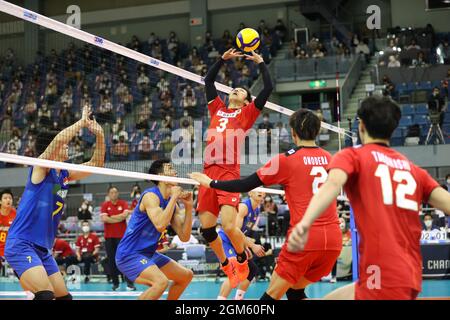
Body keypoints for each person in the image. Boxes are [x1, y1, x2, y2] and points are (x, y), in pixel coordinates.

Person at [287, 96, 450, 300]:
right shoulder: (414, 170)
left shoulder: (353, 156)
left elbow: (332, 184)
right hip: (402, 275)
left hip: (383, 277)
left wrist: (305, 223)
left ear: (361, 126)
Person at [191, 108, 341, 300]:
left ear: (293, 133)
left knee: (269, 298)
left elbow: (245, 184)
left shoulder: (286, 160)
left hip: (305, 239)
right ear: (318, 131)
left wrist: (211, 183)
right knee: (294, 291)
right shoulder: (330, 158)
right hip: (333, 242)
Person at [4, 105, 105, 300]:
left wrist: (100, 136)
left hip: (43, 248)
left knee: (64, 298)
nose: (68, 145)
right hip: (21, 243)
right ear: (53, 147)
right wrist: (81, 123)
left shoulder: (64, 175)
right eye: (64, 144)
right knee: (45, 295)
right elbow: (60, 139)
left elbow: (97, 164)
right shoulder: (41, 168)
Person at [196, 48, 273, 288]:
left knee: (229, 226)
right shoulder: (217, 108)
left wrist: (260, 62)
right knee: (207, 230)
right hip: (208, 172)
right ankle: (226, 265)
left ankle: (241, 259)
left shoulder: (247, 113)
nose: (235, 90)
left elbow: (268, 89)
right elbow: (208, 80)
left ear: (247, 101)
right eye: (234, 89)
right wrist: (221, 59)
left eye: (240, 90)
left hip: (228, 172)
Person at [116, 159, 194, 300]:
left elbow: (184, 237)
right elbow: (160, 225)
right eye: (170, 168)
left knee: (186, 276)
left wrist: (189, 207)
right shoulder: (150, 196)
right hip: (129, 254)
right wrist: (175, 196)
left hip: (148, 254)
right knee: (160, 282)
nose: (175, 172)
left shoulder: (172, 203)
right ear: (161, 177)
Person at [217, 191, 266, 300]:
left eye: (262, 190)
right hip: (227, 240)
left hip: (236, 241)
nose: (261, 192)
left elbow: (242, 233)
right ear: (250, 193)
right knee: (234, 270)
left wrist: (245, 247)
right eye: (257, 190)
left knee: (252, 269)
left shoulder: (257, 209)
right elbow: (235, 231)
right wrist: (252, 246)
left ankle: (238, 298)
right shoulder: (244, 207)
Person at [100, 186, 135, 291]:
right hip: (109, 238)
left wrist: (111, 218)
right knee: (111, 260)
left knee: (125, 259)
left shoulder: (123, 203)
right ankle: (115, 283)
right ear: (108, 194)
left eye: (115, 192)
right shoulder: (105, 205)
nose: (114, 194)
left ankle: (129, 283)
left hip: (122, 237)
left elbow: (124, 216)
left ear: (118, 193)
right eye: (112, 192)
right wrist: (118, 217)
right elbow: (104, 219)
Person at [0, 189, 16, 271]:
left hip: (12, 250)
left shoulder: (16, 215)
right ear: (0, 201)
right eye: (5, 198)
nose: (8, 200)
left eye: (10, 198)